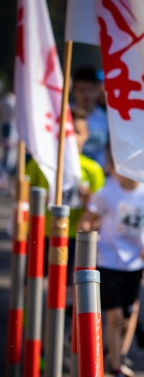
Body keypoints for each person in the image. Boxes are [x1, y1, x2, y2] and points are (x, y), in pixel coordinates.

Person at [78, 151, 144, 377]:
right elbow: (88, 220)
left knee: (128, 315)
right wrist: (87, 226)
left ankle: (119, 353)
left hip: (135, 265)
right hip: (108, 261)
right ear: (114, 166)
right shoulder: (107, 192)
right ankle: (117, 370)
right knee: (115, 315)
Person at [26, 107, 106, 313]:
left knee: (72, 289)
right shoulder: (40, 165)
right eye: (65, 133)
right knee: (34, 285)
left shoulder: (92, 169)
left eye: (75, 133)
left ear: (86, 136)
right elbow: (25, 197)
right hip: (44, 235)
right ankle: (31, 334)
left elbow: (100, 214)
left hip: (76, 239)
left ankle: (68, 335)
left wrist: (89, 202)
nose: (69, 139)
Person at [70, 66, 109, 170]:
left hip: (100, 177)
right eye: (81, 89)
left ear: (98, 91)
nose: (86, 95)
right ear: (74, 91)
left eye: (90, 90)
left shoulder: (107, 119)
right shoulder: (65, 117)